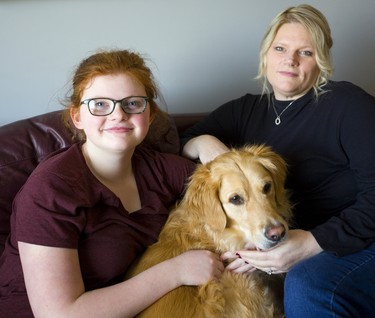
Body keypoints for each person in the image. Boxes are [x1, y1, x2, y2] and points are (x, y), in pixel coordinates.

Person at [181, 4, 375, 318]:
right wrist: (205, 143)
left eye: (306, 52)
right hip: (284, 237)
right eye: (280, 48)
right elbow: (180, 142)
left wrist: (312, 242)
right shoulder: (246, 110)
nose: (290, 60)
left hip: (361, 238)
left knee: (307, 282)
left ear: (321, 61)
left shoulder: (348, 105)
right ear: (266, 53)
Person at [0, 49, 224, 317]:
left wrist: (203, 141)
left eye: (132, 104)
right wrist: (176, 271)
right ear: (77, 117)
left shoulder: (159, 167)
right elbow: (60, 314)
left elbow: (231, 190)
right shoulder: (51, 189)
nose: (118, 114)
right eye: (100, 104)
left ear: (150, 115)